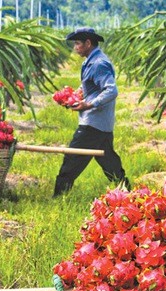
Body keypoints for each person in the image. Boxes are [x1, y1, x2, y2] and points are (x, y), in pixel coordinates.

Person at [53, 27, 129, 197]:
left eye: (78, 43)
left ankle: (58, 197)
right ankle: (126, 191)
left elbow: (111, 90)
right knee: (109, 161)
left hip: (93, 123)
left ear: (88, 43)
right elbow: (90, 85)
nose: (75, 47)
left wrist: (89, 104)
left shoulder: (98, 64)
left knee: (71, 160)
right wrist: (75, 95)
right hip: (102, 123)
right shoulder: (90, 61)